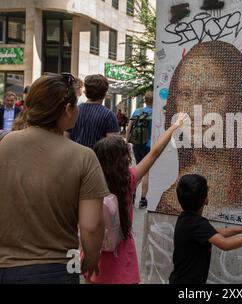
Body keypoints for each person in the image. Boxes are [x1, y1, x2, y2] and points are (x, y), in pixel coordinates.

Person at [0, 73, 109, 284]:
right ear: (67, 110)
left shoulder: (3, 144)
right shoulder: (83, 157)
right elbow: (91, 226)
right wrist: (90, 262)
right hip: (57, 268)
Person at [155, 41, 242, 224]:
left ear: (238, 100)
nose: (193, 111)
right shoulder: (173, 191)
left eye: (210, 95)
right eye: (185, 94)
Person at [86, 113, 187, 284]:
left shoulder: (89, 182)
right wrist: (175, 126)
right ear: (123, 159)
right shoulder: (129, 179)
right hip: (122, 254)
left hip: (95, 253)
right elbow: (154, 153)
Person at [169, 174, 242, 284]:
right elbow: (225, 244)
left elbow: (214, 233)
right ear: (206, 199)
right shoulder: (197, 223)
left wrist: (241, 229)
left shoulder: (186, 218)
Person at [66, 74, 119, 149]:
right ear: (105, 93)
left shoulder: (73, 111)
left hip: (74, 157)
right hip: (97, 159)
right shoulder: (109, 115)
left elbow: (66, 137)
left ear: (86, 91)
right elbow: (113, 146)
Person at [126, 92, 153, 209]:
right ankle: (143, 199)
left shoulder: (137, 111)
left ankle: (132, 194)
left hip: (136, 144)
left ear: (145, 100)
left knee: (138, 169)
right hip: (148, 145)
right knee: (146, 172)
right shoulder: (154, 112)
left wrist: (127, 142)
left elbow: (129, 128)